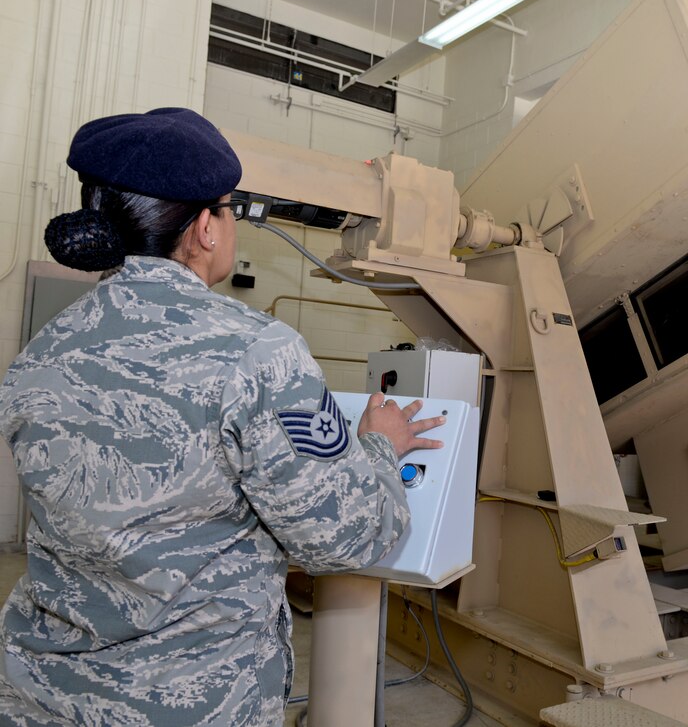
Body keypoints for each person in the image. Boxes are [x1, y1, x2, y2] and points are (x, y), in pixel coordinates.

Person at [0, 108, 443, 726]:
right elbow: (345, 537)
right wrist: (379, 449)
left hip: (41, 696)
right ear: (206, 228)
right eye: (230, 209)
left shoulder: (39, 356)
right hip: (193, 700)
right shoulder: (257, 352)